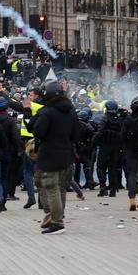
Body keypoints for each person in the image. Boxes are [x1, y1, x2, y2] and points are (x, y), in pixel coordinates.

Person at [31, 80, 78, 235]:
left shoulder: (47, 112)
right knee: (61, 187)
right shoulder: (71, 110)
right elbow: (76, 133)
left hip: (49, 154)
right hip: (66, 153)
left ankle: (57, 222)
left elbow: (38, 132)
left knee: (51, 187)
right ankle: (57, 216)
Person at [91, 101, 124, 197]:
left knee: (100, 168)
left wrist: (93, 142)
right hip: (115, 147)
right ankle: (113, 190)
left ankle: (103, 188)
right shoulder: (119, 120)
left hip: (104, 147)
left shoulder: (104, 119)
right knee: (112, 168)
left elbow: (100, 132)